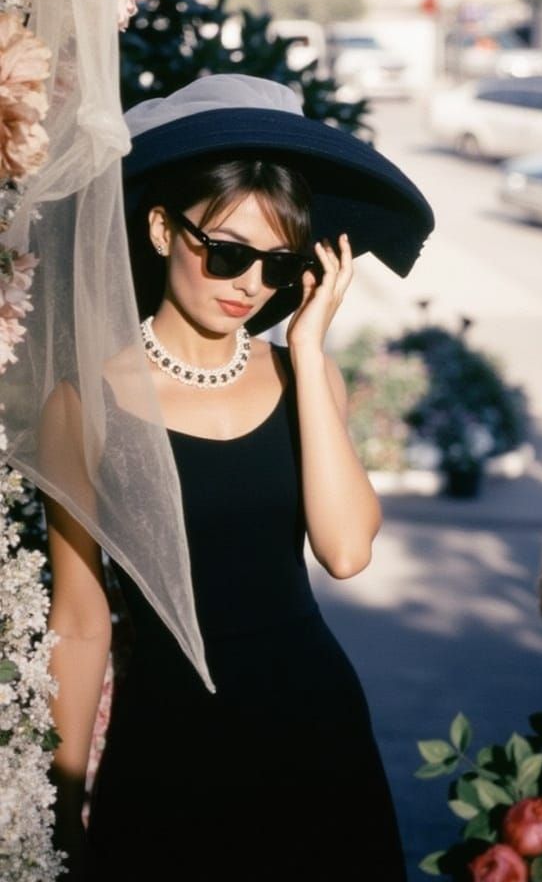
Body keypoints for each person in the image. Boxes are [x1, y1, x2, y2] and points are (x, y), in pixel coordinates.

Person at [43, 74, 434, 880]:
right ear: (160, 229)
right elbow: (81, 623)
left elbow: (346, 551)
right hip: (169, 749)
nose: (250, 286)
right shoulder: (85, 403)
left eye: (277, 264)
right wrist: (64, 799)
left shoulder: (303, 377)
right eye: (226, 252)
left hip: (315, 733)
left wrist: (313, 351)